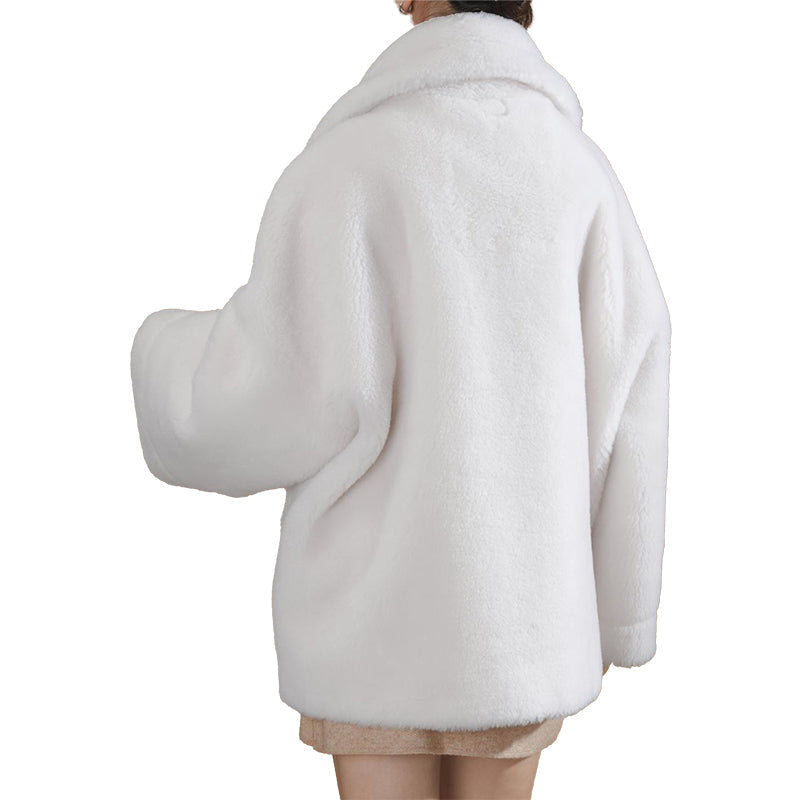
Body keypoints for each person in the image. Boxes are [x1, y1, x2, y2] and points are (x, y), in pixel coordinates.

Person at [130, 1, 671, 797]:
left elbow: (277, 389)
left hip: (370, 623)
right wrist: (622, 615)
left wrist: (160, 354)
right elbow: (633, 408)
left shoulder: (349, 165)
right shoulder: (580, 175)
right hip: (522, 625)